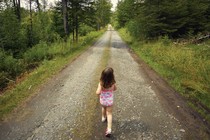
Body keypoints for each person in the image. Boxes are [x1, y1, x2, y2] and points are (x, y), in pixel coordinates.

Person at [96, 67, 117, 137]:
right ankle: (109, 129)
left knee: (103, 108)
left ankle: (103, 117)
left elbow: (98, 92)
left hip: (103, 100)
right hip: (110, 101)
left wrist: (99, 91)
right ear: (112, 76)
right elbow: (115, 89)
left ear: (102, 75)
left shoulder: (101, 83)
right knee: (109, 114)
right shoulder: (112, 83)